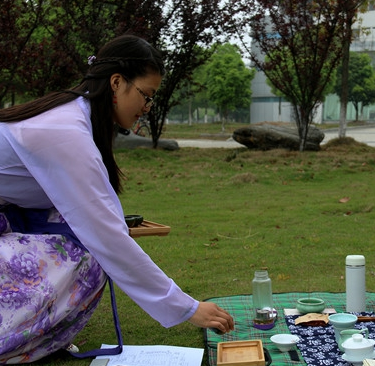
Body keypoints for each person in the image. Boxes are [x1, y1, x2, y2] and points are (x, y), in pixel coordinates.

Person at [0, 34, 234, 363]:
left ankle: (40, 339)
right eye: (146, 96)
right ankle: (18, 342)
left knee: (85, 244)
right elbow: (107, 236)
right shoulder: (66, 132)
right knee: (88, 256)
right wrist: (187, 307)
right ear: (116, 82)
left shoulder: (78, 118)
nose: (147, 108)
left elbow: (104, 217)